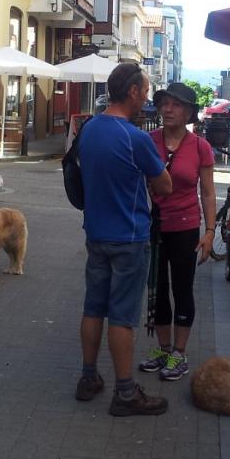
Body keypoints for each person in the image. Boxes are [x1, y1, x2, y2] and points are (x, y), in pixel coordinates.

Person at [75, 61, 173, 416]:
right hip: (129, 237)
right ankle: (126, 392)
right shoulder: (136, 138)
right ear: (132, 92)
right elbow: (165, 185)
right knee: (122, 316)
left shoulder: (88, 129)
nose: (147, 98)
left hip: (96, 232)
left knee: (93, 308)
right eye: (145, 91)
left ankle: (88, 378)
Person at [139, 83, 217, 383]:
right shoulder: (148, 141)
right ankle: (163, 349)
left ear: (189, 112)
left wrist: (209, 232)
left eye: (176, 104)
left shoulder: (200, 147)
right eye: (164, 103)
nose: (168, 109)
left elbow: (207, 193)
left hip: (185, 227)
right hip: (154, 228)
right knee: (157, 289)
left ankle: (179, 353)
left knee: (182, 289)